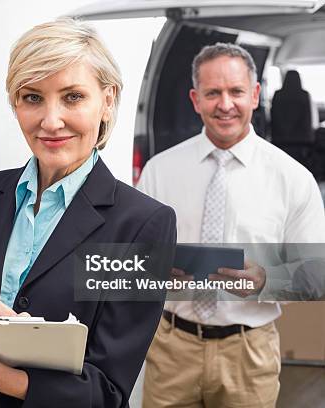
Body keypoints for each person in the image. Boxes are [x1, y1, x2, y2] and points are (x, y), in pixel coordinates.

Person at [0, 18, 177, 408]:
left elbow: (107, 392)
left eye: (72, 97)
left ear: (107, 100)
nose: (51, 121)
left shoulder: (138, 226)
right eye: (32, 98)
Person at [137, 43, 325, 407]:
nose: (225, 104)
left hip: (248, 353)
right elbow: (133, 261)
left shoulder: (292, 178)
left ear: (255, 95)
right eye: (213, 93)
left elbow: (317, 275)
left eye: (236, 91)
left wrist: (266, 279)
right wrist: (155, 271)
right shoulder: (160, 170)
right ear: (195, 99)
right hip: (170, 349)